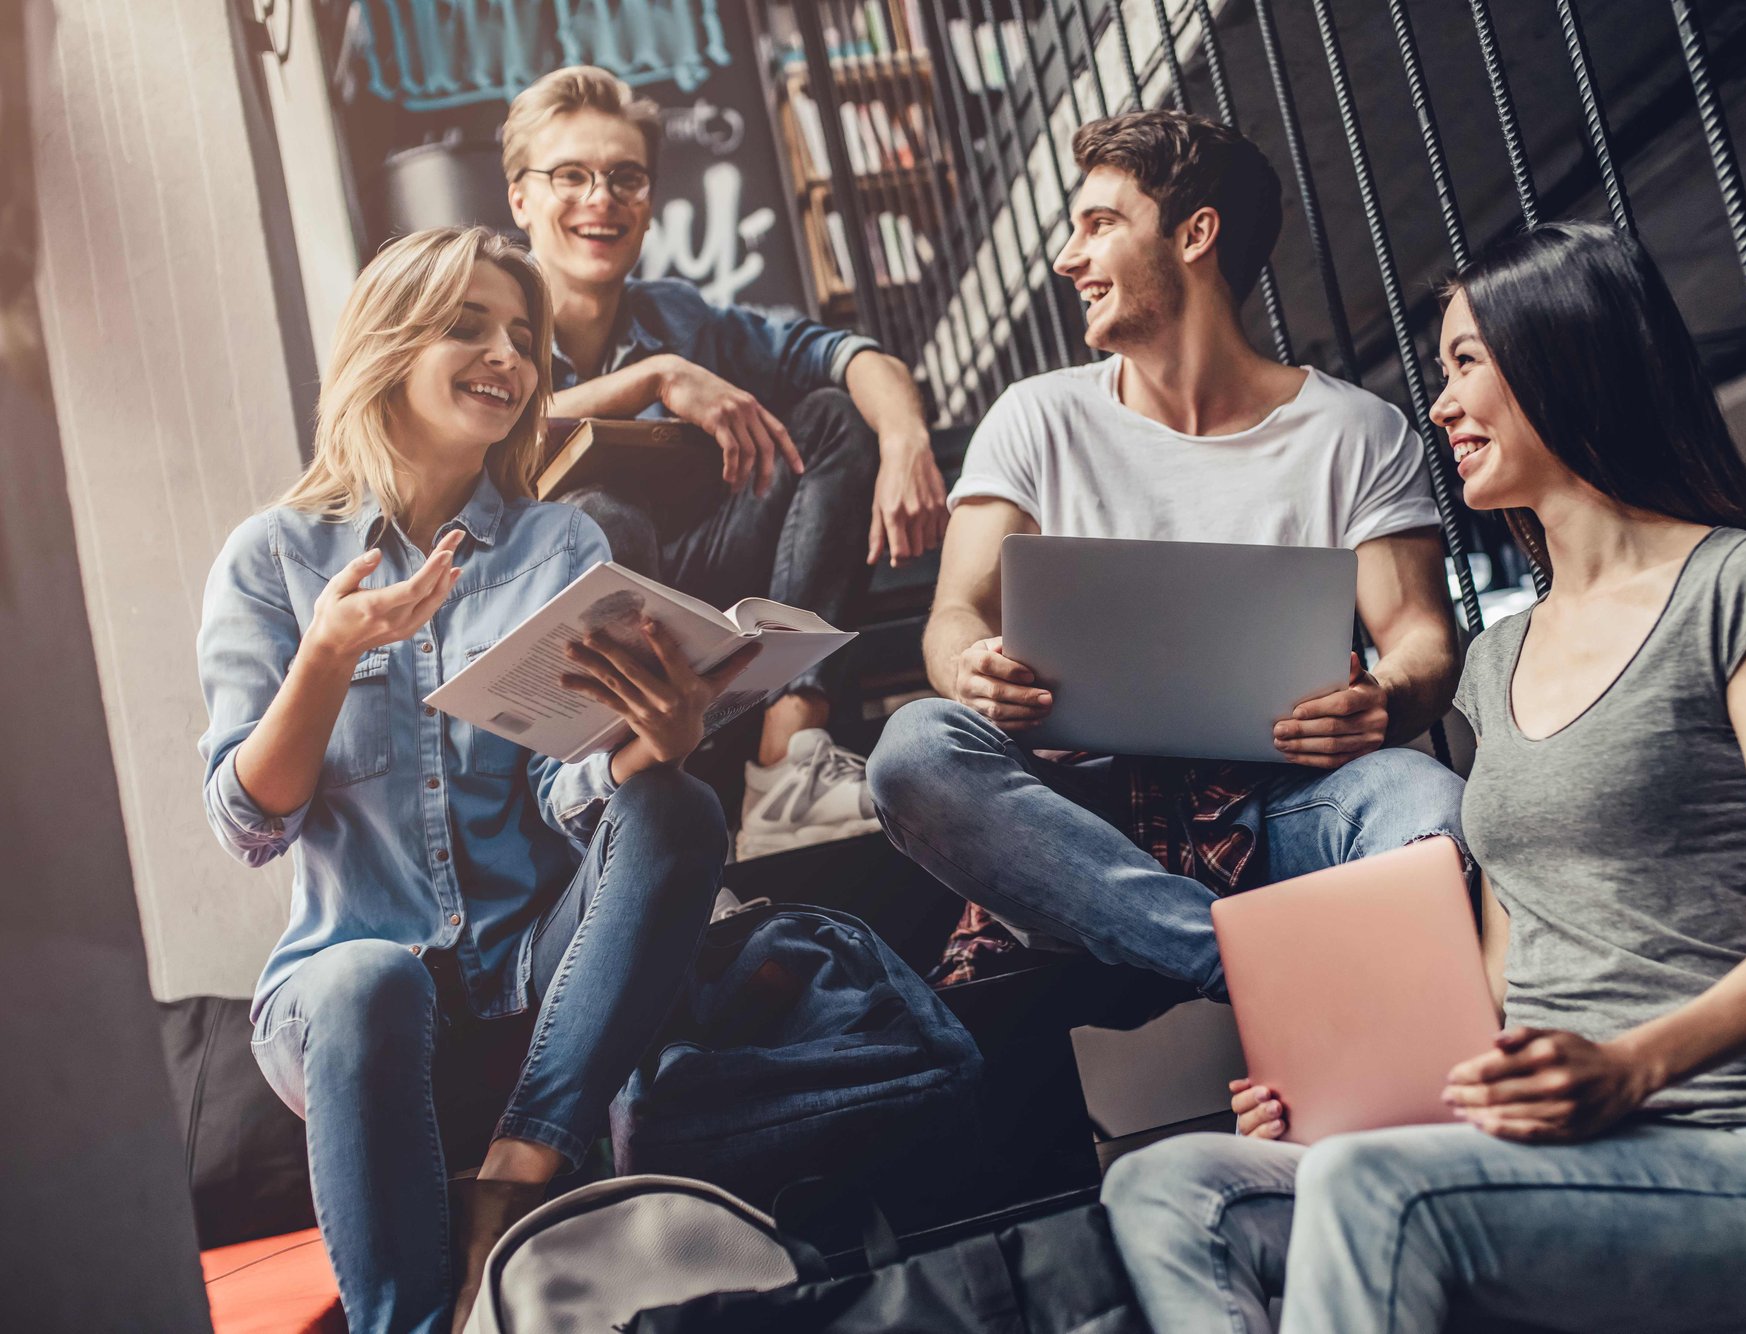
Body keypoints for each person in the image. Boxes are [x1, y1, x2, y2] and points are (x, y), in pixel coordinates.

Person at [1102, 222, 1746, 1333]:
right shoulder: (1496, 659)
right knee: (1165, 1186)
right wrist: (1335, 1102)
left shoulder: (1738, 584)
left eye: (1465, 361)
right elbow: (1490, 991)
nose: (1437, 405)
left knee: (1375, 1188)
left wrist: (1624, 1066)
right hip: (1540, 1156)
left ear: (1562, 355)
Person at [197, 227, 757, 1334]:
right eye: (468, 328)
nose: (507, 355)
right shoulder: (273, 558)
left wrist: (660, 736)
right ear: (390, 344)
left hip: (535, 976)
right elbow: (248, 821)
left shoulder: (559, 543)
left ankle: (520, 1167)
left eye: (520, 335)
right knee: (371, 980)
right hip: (345, 997)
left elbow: (578, 787)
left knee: (675, 805)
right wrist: (326, 656)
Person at [865, 110, 1465, 995]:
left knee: (1426, 804)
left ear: (1196, 234)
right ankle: (1260, 974)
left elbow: (1421, 634)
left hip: (1277, 804)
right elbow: (956, 613)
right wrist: (969, 670)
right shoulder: (1037, 416)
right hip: (1082, 820)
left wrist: (1383, 695)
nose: (1068, 259)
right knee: (915, 749)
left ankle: (1234, 961)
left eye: (1099, 224)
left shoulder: (1355, 431)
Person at [503, 65, 950, 858]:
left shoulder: (679, 314)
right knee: (596, 518)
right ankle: (627, 818)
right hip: (559, 654)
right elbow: (474, 437)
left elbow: (842, 353)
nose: (601, 197)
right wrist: (654, 378)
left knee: (828, 417)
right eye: (570, 175)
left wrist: (906, 438)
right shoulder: (487, 323)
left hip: (708, 600)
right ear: (520, 199)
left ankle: (788, 762)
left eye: (626, 177)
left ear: (647, 203)